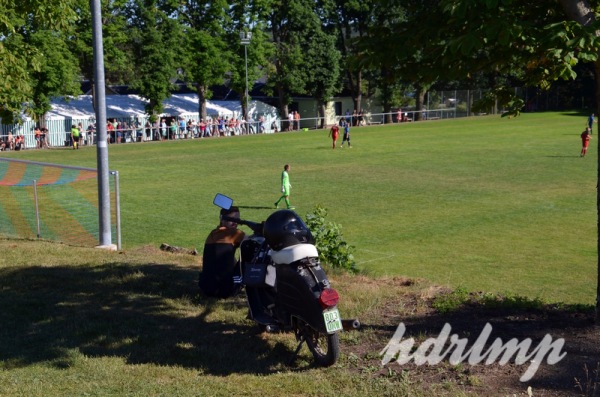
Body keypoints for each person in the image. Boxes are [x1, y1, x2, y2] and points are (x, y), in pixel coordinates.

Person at [198, 206, 246, 298]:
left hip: (205, 288)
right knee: (250, 254)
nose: (236, 223)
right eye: (232, 219)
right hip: (226, 290)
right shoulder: (235, 233)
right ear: (223, 219)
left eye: (238, 220)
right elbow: (252, 243)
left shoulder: (212, 233)